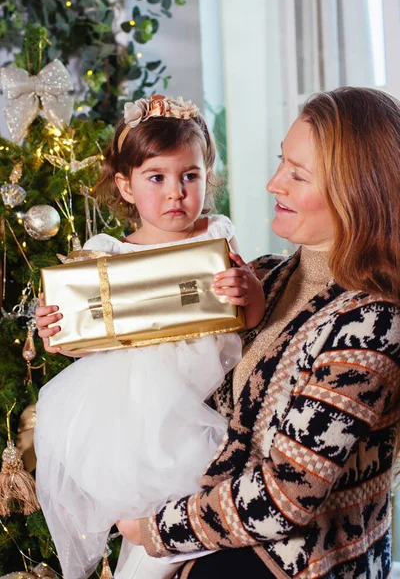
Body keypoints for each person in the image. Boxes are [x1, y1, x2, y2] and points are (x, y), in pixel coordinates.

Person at [116, 86, 400, 579]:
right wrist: (70, 331)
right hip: (214, 541)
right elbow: (166, 368)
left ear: (357, 189)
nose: (273, 184)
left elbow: (285, 497)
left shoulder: (373, 325)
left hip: (302, 565)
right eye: (279, 163)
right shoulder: (263, 277)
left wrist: (154, 529)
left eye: (297, 174)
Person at [34, 95, 265, 579]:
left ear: (207, 177)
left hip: (203, 396)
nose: (176, 193)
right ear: (126, 185)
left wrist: (249, 292)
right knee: (146, 516)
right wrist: (58, 332)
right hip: (133, 407)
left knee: (182, 510)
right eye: (156, 178)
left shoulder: (215, 236)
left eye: (190, 176)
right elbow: (83, 339)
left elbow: (247, 320)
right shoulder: (105, 253)